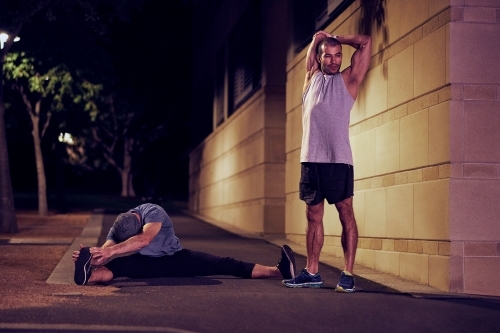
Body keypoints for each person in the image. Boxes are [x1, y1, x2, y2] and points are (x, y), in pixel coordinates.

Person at [282, 31, 371, 292]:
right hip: (311, 160)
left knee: (346, 215)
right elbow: (310, 57)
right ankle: (312, 272)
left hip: (338, 161)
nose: (334, 61)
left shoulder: (349, 80)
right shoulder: (311, 79)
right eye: (328, 56)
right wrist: (315, 39)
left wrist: (337, 37)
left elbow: (365, 42)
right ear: (318, 59)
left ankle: (348, 273)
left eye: (338, 55)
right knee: (313, 217)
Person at [73, 203, 296, 285]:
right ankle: (88, 276)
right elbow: (105, 251)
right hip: (149, 263)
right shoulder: (119, 226)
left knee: (225, 264)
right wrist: (92, 258)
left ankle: (279, 271)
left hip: (177, 258)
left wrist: (110, 251)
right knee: (114, 267)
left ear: (138, 219)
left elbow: (145, 239)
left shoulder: (153, 211)